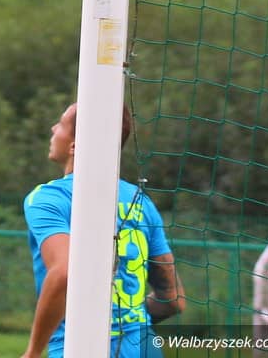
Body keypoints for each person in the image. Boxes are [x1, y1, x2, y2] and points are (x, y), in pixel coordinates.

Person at [21, 103, 185, 358]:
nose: (53, 129)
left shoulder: (49, 198)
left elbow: (64, 272)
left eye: (61, 124)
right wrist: (127, 323)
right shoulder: (140, 202)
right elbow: (173, 300)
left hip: (77, 347)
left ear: (75, 146)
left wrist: (32, 352)